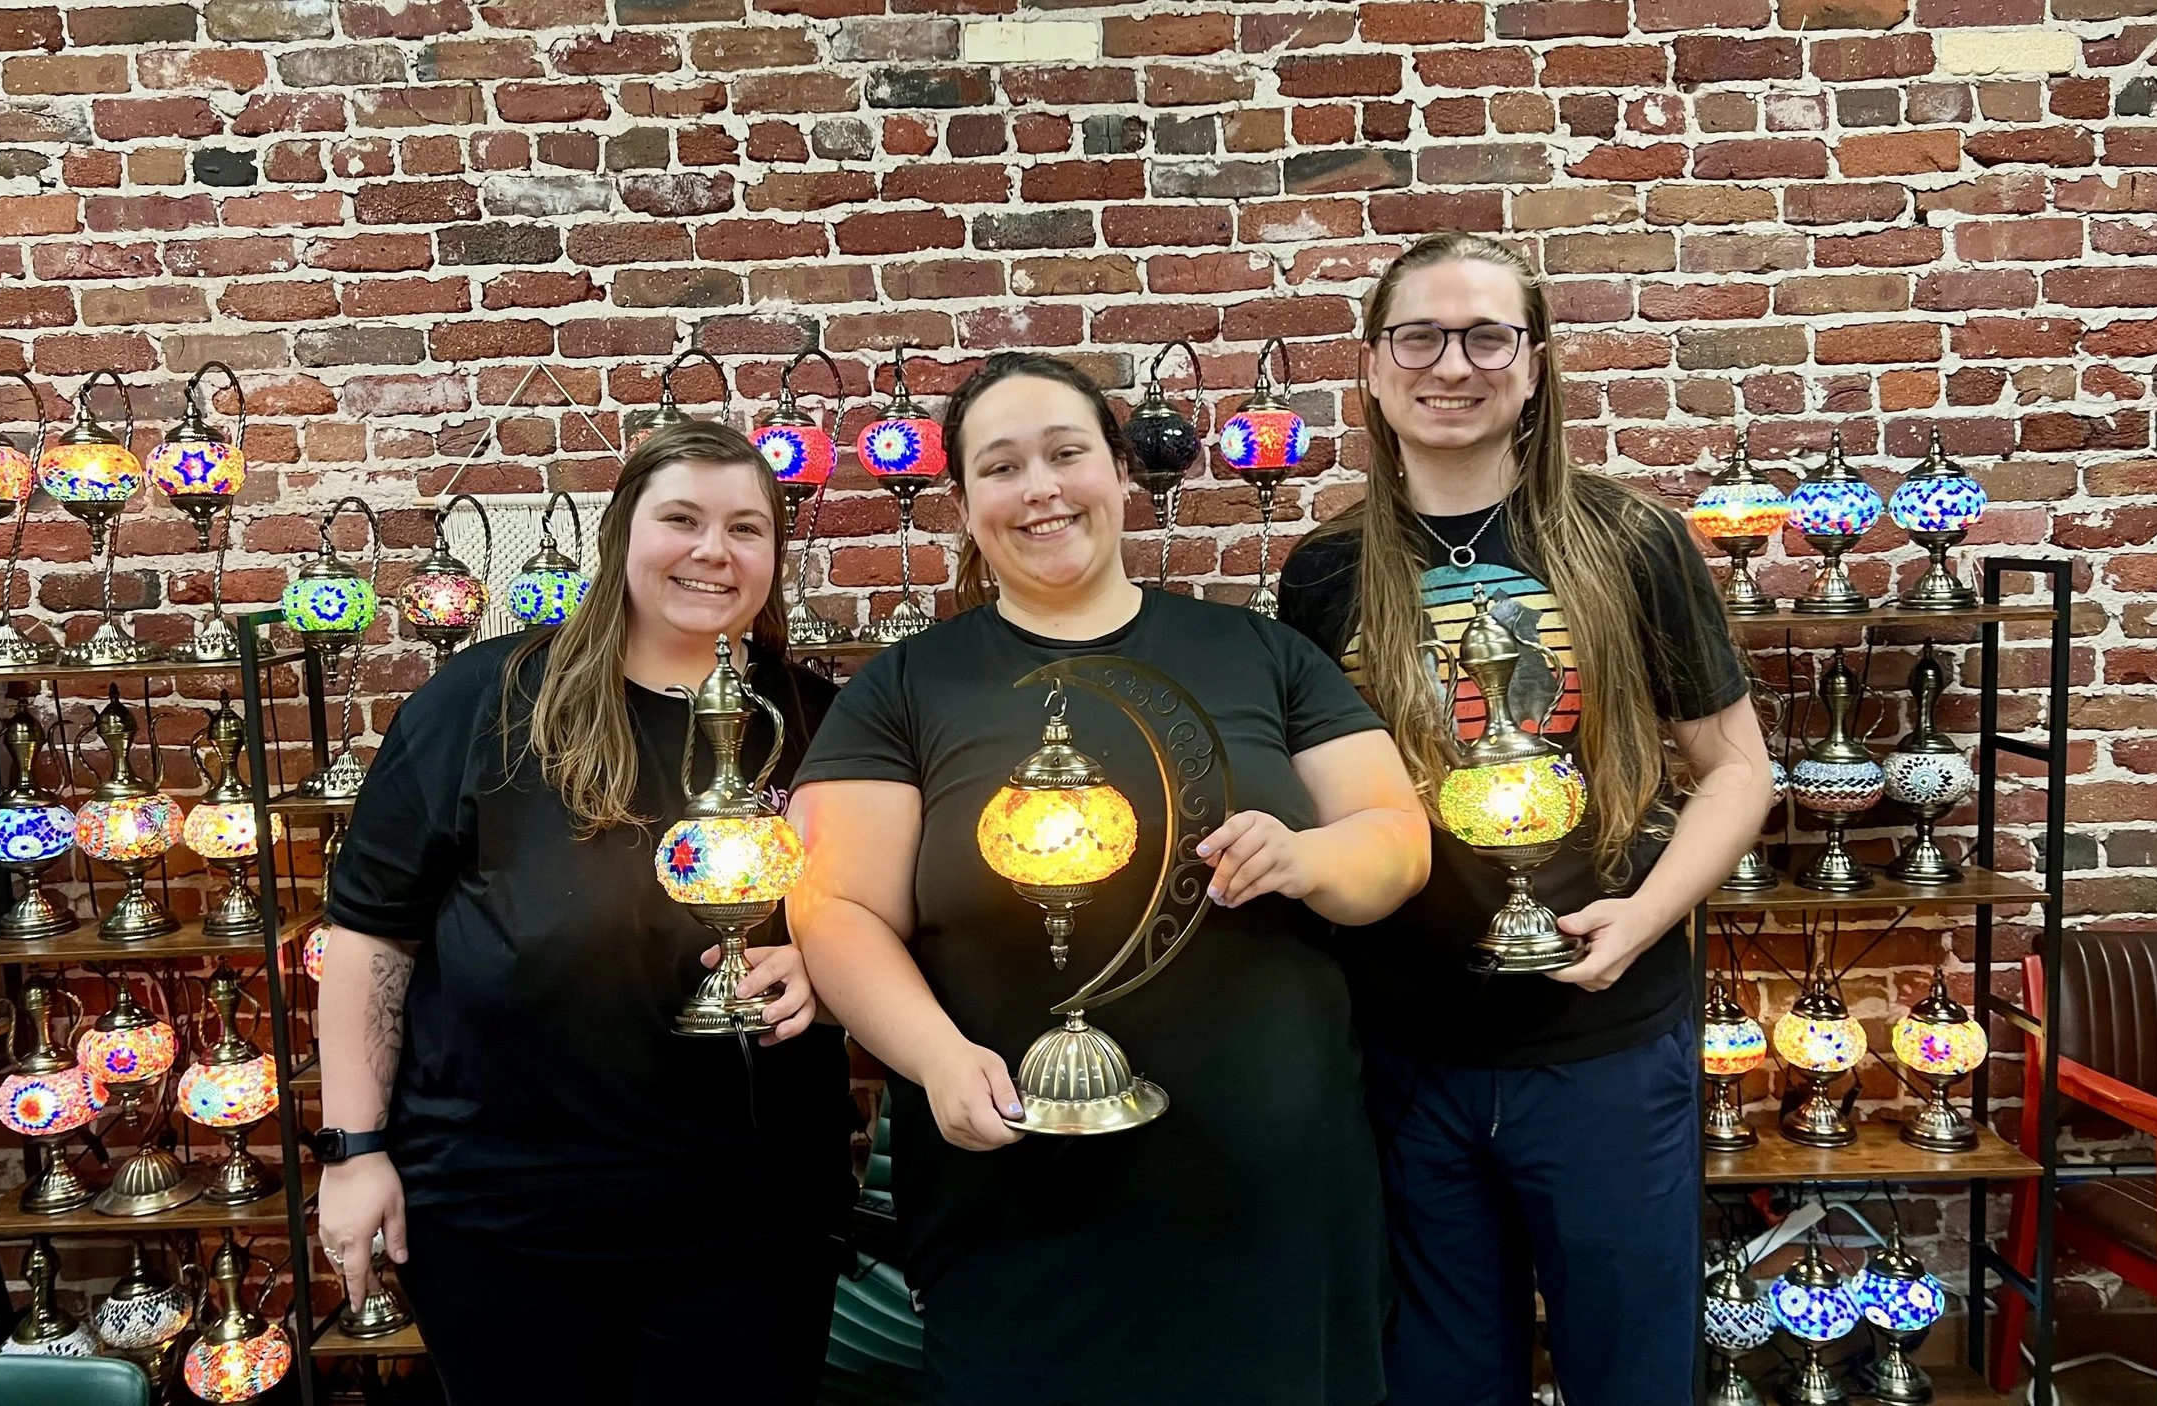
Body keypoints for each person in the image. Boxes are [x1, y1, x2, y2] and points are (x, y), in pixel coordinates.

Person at [787, 352, 1430, 1405]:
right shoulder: (906, 687)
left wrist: (1309, 856)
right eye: (1001, 466)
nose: (1039, 488)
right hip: (1012, 1193)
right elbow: (838, 907)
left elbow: (1396, 840)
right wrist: (936, 1058)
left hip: (1267, 1191)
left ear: (1122, 471)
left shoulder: (1260, 655)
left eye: (1066, 452)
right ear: (961, 503)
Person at [1278, 232, 1773, 1406]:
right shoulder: (1325, 572)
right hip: (1405, 1050)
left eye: (1487, 336)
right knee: (1438, 1381)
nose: (1453, 364)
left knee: (1631, 1375)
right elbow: (1315, 804)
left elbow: (1738, 769)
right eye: (1419, 336)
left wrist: (1644, 917)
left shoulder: (1630, 539)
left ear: (1535, 363)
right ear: (1371, 365)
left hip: (1604, 1049)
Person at [313, 422, 856, 1406]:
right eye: (681, 519)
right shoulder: (484, 699)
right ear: (622, 534)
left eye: (746, 527)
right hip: (501, 1213)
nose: (713, 550)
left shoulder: (822, 723)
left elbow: (878, 914)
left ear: (775, 555)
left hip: (752, 1218)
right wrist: (354, 1151)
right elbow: (370, 933)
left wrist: (826, 962)